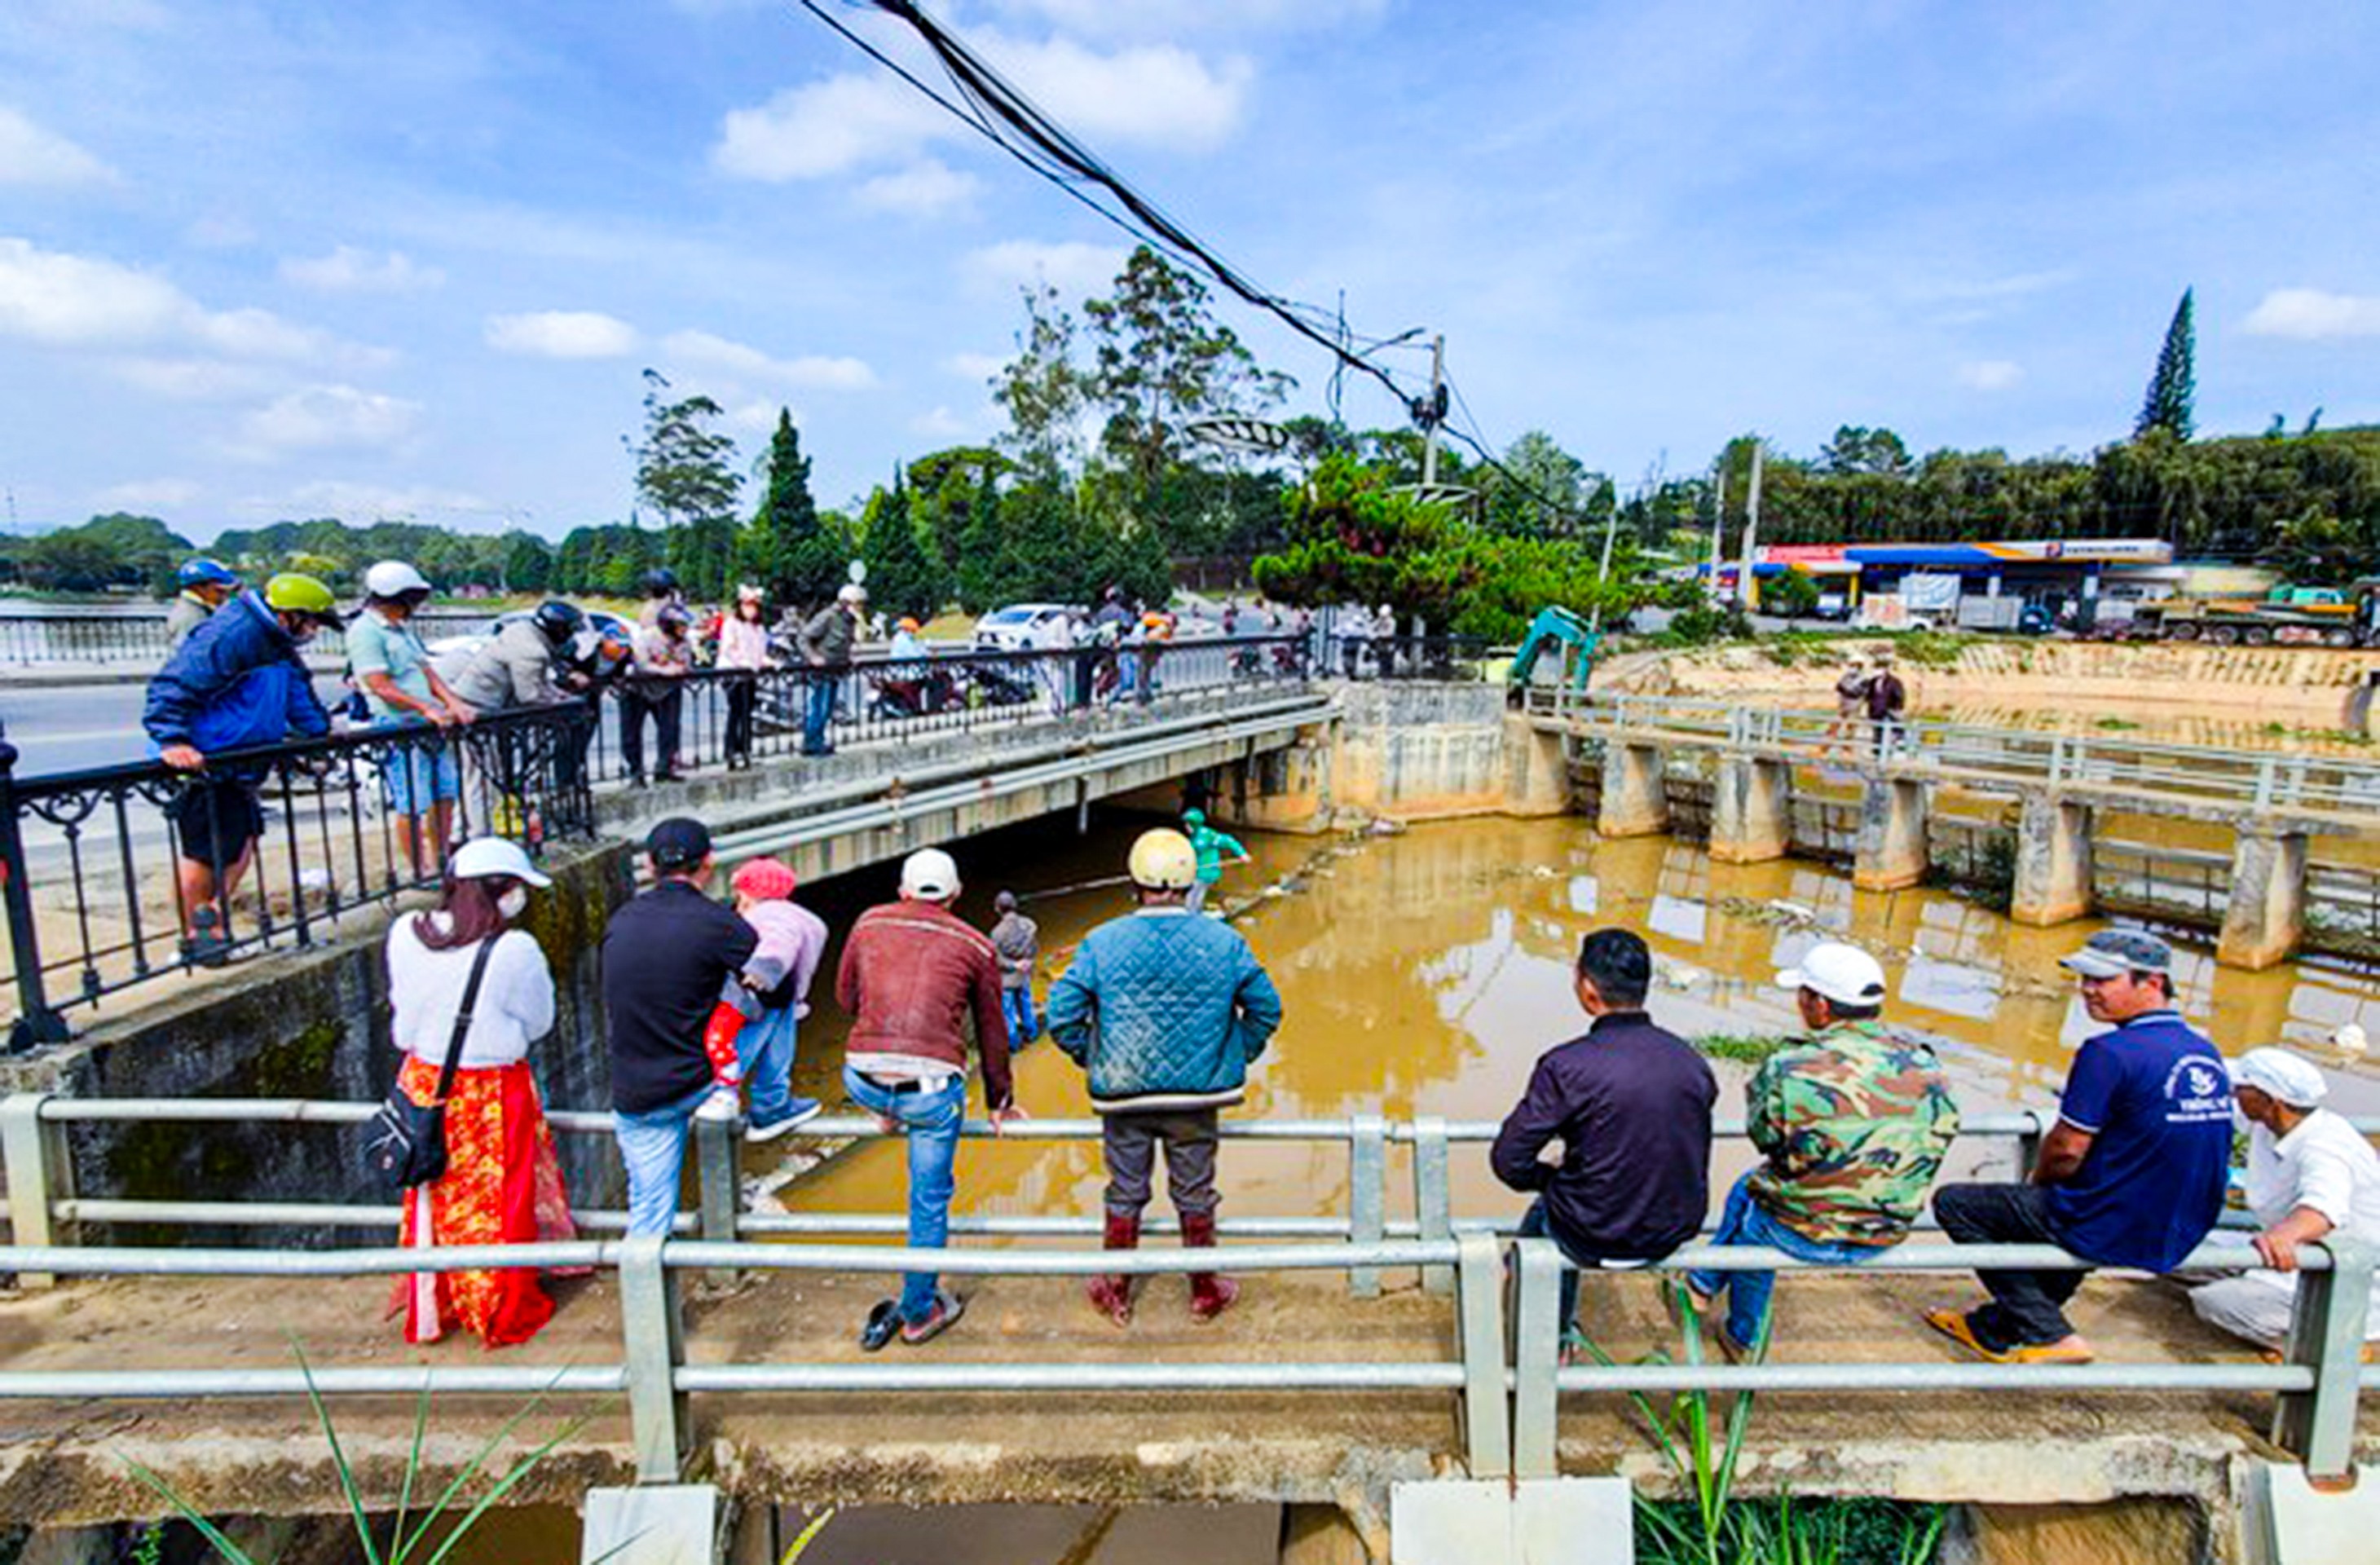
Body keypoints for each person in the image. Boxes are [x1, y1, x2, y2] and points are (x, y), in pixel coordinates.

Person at [1928, 929, 2231, 1364]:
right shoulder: (2203, 1050)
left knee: (1958, 1204)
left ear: (2152, 983)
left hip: (2115, 1221)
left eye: (2104, 980)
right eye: (2085, 979)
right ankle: (1994, 1328)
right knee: (2071, 1210)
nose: (2089, 991)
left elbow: (2067, 1149)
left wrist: (2039, 1184)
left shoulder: (2109, 1052)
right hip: (2182, 1221)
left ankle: (2048, 1332)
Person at [1675, 942, 1960, 1359]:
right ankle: (1701, 1283)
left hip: (1806, 1235)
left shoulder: (1790, 1065)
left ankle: (1742, 1335)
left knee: (1753, 1222)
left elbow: (1766, 1140)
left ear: (1821, 1006)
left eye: (1803, 994)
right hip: (1886, 1230)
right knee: (1748, 1185)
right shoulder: (1928, 1065)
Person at [1047, 829, 1285, 1326]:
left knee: (1125, 1191)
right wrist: (1233, 1053)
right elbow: (1266, 1008)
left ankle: (1116, 1292)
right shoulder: (1224, 940)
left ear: (1135, 883)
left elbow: (1062, 1015)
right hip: (1196, 1100)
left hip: (1124, 1097)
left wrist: (1094, 1057)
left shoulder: (1101, 941)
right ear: (1189, 881)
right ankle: (1204, 1292)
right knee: (1195, 1192)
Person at [385, 836, 576, 1347]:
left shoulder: (407, 932)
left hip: (422, 1081)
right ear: (503, 891)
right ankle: (498, 1304)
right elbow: (539, 1020)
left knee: (432, 1193)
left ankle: (440, 1299)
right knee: (500, 1200)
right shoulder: (514, 949)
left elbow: (402, 1013)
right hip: (490, 1086)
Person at [1492, 928, 1717, 1347]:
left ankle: (1552, 1340)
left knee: (1557, 1207)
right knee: (1567, 1199)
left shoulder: (1567, 1065)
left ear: (1588, 990)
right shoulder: (1692, 1063)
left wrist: (1548, 1178)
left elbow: (1508, 1160)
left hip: (1591, 1233)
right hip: (1672, 1230)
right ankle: (1516, 1268)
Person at [839, 847, 1021, 1349]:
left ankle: (884, 1112)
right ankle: (919, 1313)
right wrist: (1000, 1100)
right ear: (956, 895)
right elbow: (992, 1029)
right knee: (928, 1203)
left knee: (878, 1090)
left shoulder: (867, 922)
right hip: (932, 1094)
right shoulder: (976, 944)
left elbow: (845, 998)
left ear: (902, 890)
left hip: (861, 1079)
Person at [143, 572, 341, 963]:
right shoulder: (233, 635)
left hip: (244, 762)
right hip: (210, 759)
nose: (316, 631)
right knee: (205, 854)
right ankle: (196, 939)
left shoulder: (277, 644)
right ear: (288, 615)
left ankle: (212, 923)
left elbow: (297, 693)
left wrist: (320, 730)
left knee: (240, 846)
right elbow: (173, 686)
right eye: (313, 622)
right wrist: (173, 739)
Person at [602, 819, 758, 1237]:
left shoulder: (621, 920)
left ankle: (646, 1295)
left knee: (649, 1207)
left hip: (635, 1088)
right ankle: (763, 1098)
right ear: (707, 863)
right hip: (698, 1082)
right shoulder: (718, 923)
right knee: (763, 1003)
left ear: (650, 866)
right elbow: (767, 981)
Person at [2187, 1048, 2380, 1356]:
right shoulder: (2270, 1123)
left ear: (2269, 1100)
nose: (2233, 1094)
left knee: (2217, 1303)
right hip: (2286, 1257)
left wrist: (2285, 1236)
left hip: (2337, 1272)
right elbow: (2206, 1103)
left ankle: (2336, 1349)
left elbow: (2323, 1209)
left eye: (2241, 1089)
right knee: (2176, 1248)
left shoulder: (2325, 1146)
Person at [349, 561, 475, 880]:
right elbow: (379, 684)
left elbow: (426, 671)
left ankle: (442, 857)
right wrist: (424, 708)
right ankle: (422, 869)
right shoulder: (365, 631)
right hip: (398, 724)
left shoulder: (401, 629)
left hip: (428, 723)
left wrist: (452, 702)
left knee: (444, 793)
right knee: (413, 802)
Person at [694, 856, 830, 1141]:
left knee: (739, 1047)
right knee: (777, 1053)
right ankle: (770, 1107)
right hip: (779, 998)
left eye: (740, 892)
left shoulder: (771, 915)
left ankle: (718, 1095)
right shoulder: (791, 914)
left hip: (752, 996)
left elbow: (779, 941)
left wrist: (762, 971)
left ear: (750, 892)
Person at [621, 602, 694, 785]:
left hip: (667, 689)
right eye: (680, 626)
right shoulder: (647, 638)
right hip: (637, 688)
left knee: (670, 729)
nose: (684, 630)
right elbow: (641, 663)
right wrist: (664, 670)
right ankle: (636, 773)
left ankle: (664, 768)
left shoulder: (684, 643)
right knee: (632, 733)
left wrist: (679, 668)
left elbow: (685, 663)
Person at [798, 584, 866, 756]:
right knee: (819, 707)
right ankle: (812, 742)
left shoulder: (849, 621)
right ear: (846, 603)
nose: (860, 608)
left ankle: (818, 741)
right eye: (858, 603)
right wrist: (813, 657)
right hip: (821, 671)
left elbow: (844, 643)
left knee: (827, 709)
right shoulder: (828, 616)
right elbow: (804, 637)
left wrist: (848, 659)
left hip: (836, 670)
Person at [716, 586, 774, 769]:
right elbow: (728, 648)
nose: (752, 609)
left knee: (747, 712)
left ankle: (745, 748)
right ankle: (731, 750)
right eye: (748, 605)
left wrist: (765, 661)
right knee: (736, 711)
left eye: (755, 605)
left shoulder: (758, 627)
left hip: (750, 674)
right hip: (733, 672)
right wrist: (743, 662)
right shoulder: (731, 624)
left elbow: (760, 649)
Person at [988, 890, 1040, 1046]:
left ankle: (1014, 1043)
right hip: (1024, 973)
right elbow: (1034, 946)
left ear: (997, 909)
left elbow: (997, 959)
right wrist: (1028, 961)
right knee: (1026, 1004)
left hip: (1007, 979)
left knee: (1008, 1012)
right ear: (1015, 905)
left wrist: (1013, 964)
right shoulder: (1029, 924)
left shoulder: (997, 933)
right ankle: (1032, 1034)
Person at [1181, 806, 1251, 915]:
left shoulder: (1208, 835)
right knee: (1191, 895)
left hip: (1207, 872)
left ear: (1194, 824)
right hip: (1196, 871)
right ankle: (1193, 912)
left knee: (1194, 896)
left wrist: (1242, 853)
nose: (1186, 827)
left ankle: (1194, 916)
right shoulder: (1192, 838)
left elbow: (1228, 840)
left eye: (1188, 824)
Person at [164, 558, 240, 651]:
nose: (225, 596)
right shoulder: (190, 616)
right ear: (199, 588)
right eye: (219, 591)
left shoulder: (202, 610)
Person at [1864, 648, 1906, 756]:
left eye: (1879, 668)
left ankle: (1892, 752)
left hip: (1888, 711)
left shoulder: (1894, 681)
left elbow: (1899, 696)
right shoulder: (1873, 681)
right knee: (1877, 733)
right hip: (1875, 712)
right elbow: (1868, 696)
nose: (1877, 670)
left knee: (1892, 732)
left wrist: (1895, 709)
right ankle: (1877, 754)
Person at [1828, 655, 1871, 752]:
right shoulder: (1846, 676)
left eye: (1856, 665)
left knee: (1851, 728)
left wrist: (1847, 690)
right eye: (1852, 665)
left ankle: (1847, 748)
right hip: (1843, 706)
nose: (1854, 667)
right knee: (1835, 725)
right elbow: (1838, 687)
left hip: (1855, 706)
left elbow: (1861, 693)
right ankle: (1827, 745)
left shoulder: (1864, 679)